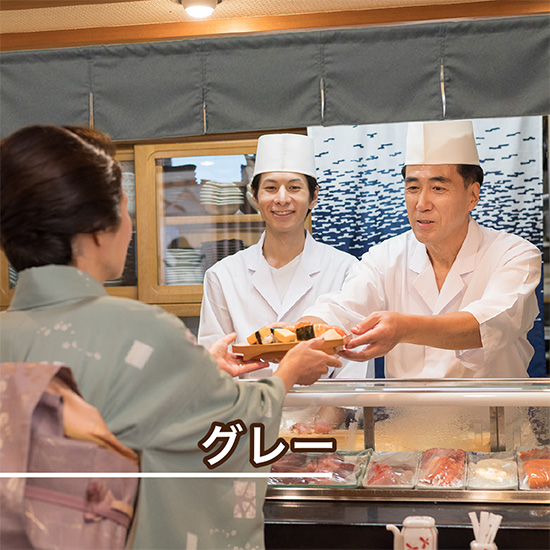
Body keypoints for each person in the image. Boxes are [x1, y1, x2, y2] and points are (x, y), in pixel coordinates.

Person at [0, 125, 341, 550]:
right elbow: (228, 427)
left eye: (294, 187)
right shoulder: (144, 332)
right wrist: (284, 376)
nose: (130, 223)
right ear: (95, 228)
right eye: (124, 208)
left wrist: (199, 371)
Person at [300, 120, 541, 378]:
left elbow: (489, 324)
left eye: (438, 188)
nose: (422, 203)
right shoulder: (386, 257)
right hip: (404, 419)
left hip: (494, 417)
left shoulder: (515, 254)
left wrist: (404, 328)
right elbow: (341, 309)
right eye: (413, 188)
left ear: (473, 195)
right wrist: (294, 334)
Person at [198, 133, 372, 380]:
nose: (281, 199)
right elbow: (214, 369)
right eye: (270, 188)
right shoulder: (222, 276)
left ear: (313, 197)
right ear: (254, 195)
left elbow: (353, 370)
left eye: (294, 187)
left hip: (322, 413)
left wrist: (324, 421)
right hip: (249, 415)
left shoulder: (346, 270)